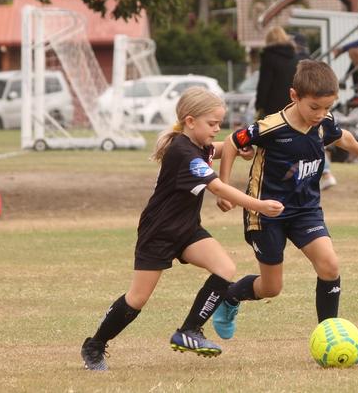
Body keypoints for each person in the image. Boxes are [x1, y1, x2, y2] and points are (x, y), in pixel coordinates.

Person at [80, 87, 284, 371]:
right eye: (212, 124)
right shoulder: (182, 151)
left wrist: (241, 147)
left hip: (187, 230)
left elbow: (222, 147)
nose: (217, 129)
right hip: (159, 233)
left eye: (219, 124)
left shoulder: (198, 144)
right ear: (190, 121)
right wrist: (258, 205)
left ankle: (189, 331)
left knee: (225, 268)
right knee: (137, 299)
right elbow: (216, 187)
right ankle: (94, 345)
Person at [212, 60, 358, 365]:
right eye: (314, 107)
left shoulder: (323, 121)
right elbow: (231, 141)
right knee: (271, 288)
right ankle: (231, 296)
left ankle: (332, 340)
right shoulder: (271, 127)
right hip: (266, 213)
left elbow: (341, 136)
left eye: (327, 107)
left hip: (306, 210)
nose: (320, 115)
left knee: (330, 265)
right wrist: (223, 188)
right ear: (295, 96)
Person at [255, 26, 298, 118]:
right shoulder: (294, 56)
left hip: (272, 106)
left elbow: (264, 84)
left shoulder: (268, 57)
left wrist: (259, 105)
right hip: (292, 104)